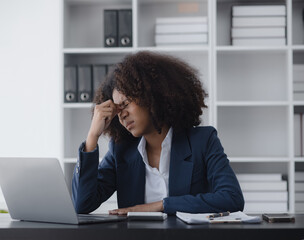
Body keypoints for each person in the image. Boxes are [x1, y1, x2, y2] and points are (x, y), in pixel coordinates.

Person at [72, 51, 244, 215]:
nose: (122, 114)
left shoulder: (203, 141)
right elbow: (82, 204)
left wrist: (161, 205)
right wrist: (92, 136)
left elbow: (232, 198)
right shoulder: (121, 150)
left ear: (153, 96)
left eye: (126, 103)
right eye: (117, 110)